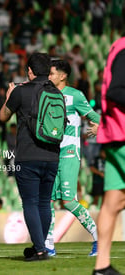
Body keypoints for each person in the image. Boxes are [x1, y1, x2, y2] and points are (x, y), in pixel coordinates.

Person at [0, 52, 59, 261]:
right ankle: (40, 246)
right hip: (52, 155)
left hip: (28, 155)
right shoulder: (56, 93)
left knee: (31, 203)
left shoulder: (21, 92)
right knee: (44, 203)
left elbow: (3, 116)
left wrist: (10, 94)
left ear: (30, 71)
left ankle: (40, 249)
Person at [45, 59, 100, 257]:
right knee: (48, 200)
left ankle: (98, 236)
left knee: (68, 201)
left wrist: (97, 126)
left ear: (63, 75)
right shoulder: (46, 94)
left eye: (52, 73)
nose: (49, 76)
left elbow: (95, 117)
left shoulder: (75, 95)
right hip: (50, 154)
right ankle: (49, 245)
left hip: (69, 152)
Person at [93, 36, 125, 275]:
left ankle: (102, 266)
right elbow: (116, 90)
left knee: (113, 202)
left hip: (115, 134)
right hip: (124, 132)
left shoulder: (118, 46)